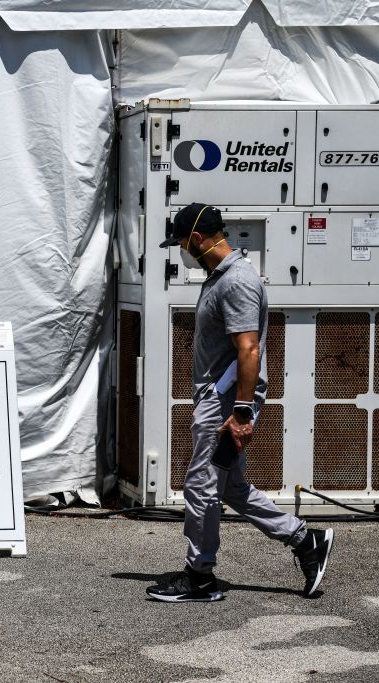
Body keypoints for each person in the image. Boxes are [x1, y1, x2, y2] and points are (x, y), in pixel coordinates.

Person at [146, 203, 334, 602]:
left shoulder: (235, 282)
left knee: (201, 486)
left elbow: (249, 349)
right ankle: (305, 540)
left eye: (180, 243)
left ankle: (199, 577)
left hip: (225, 403)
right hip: (221, 399)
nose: (180, 251)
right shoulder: (222, 277)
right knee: (230, 488)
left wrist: (242, 412)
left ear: (196, 239)